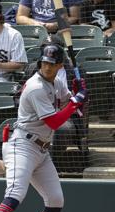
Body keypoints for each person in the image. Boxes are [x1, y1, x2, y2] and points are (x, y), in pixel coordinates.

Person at [0, 44, 88, 212]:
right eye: (44, 62)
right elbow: (54, 121)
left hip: (41, 149)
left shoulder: (57, 82)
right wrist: (76, 100)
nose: (46, 66)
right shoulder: (35, 86)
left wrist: (78, 92)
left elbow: (72, 106)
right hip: (22, 144)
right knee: (15, 192)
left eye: (51, 64)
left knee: (56, 199)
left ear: (59, 66)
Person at [21, 34, 88, 164]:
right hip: (35, 118)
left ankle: (51, 161)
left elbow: (75, 101)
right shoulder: (33, 73)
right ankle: (44, 161)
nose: (49, 53)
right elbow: (18, 96)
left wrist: (78, 94)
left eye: (53, 50)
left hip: (63, 117)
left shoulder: (69, 74)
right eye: (46, 49)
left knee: (63, 128)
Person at [16, 0, 83, 33]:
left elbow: (75, 18)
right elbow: (20, 17)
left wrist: (57, 24)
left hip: (62, 31)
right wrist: (36, 24)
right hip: (37, 32)